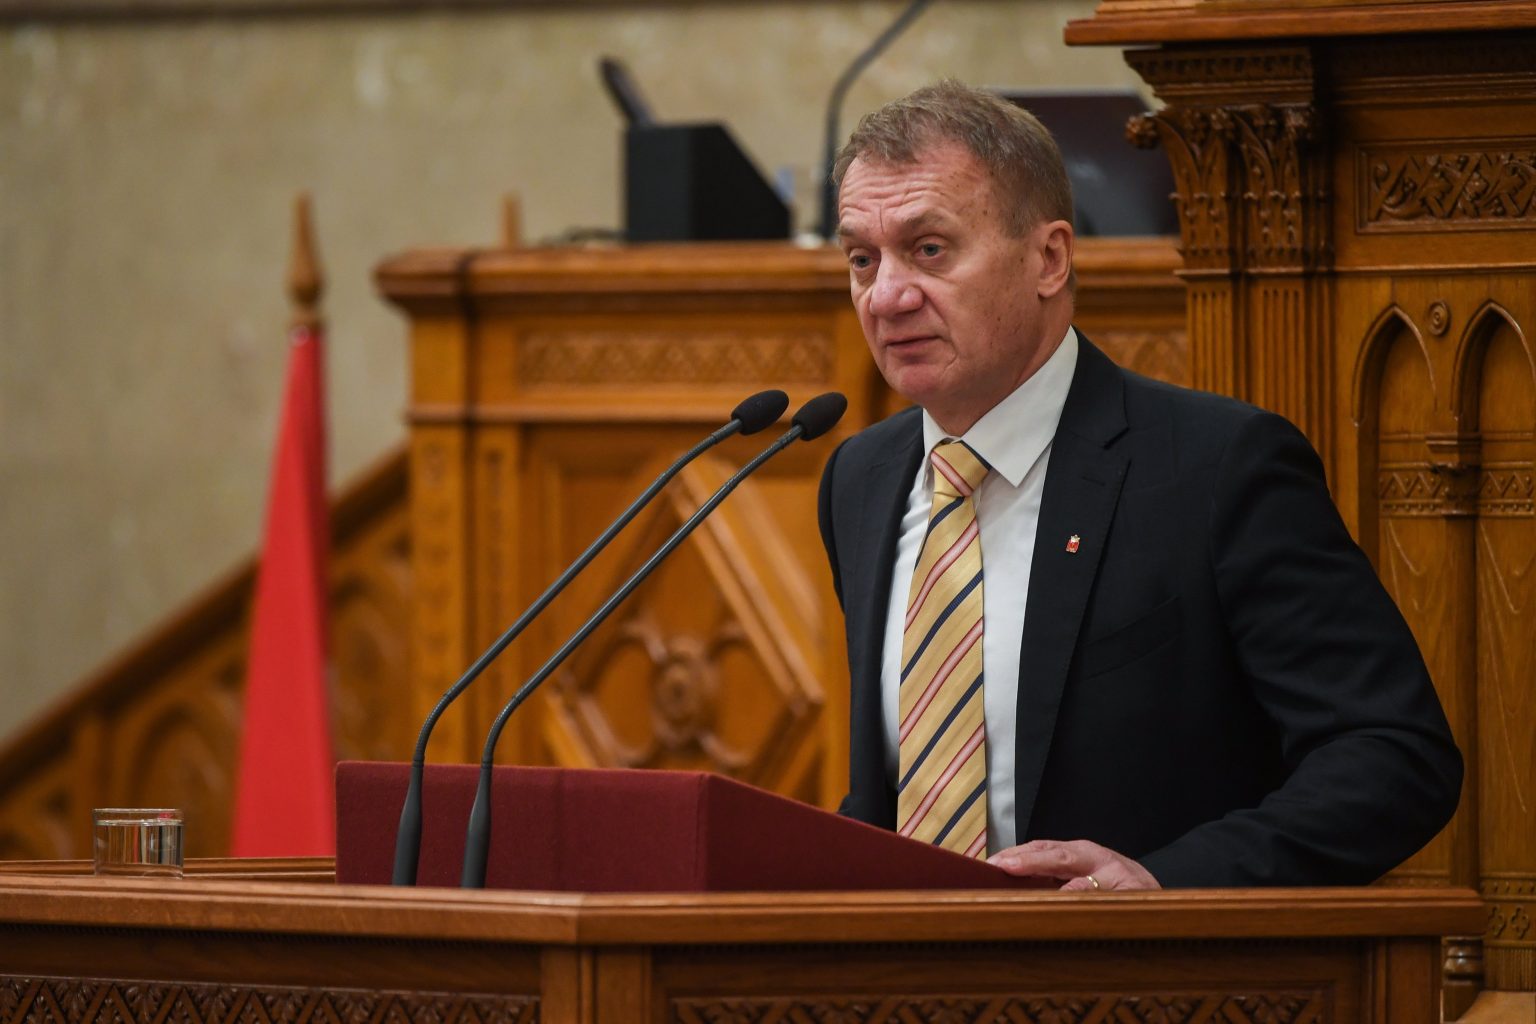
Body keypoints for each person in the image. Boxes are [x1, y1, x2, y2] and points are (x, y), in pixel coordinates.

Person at [817, 80, 1462, 889]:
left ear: (1049, 259)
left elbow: (1394, 755)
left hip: (1153, 959)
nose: (886, 296)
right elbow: (893, 789)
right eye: (862, 259)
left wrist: (1166, 881)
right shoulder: (862, 479)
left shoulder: (1220, 467)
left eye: (930, 250)